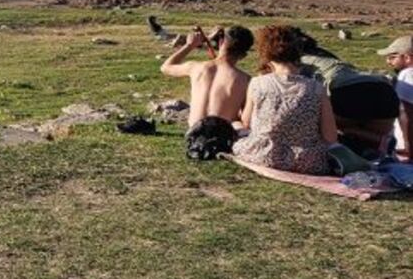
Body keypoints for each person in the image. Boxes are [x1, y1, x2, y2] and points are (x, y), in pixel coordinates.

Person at [232, 26, 338, 175]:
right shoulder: (317, 88)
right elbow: (330, 137)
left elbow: (246, 123)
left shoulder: (257, 83)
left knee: (235, 125)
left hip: (263, 155)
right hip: (307, 161)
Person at [294, 29, 399, 157]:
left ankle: (351, 137)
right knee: (374, 141)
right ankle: (380, 142)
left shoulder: (298, 61)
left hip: (347, 92)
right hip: (384, 91)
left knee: (324, 124)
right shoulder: (324, 54)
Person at [160, 26, 254, 128]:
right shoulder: (246, 80)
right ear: (243, 55)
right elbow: (246, 119)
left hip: (195, 132)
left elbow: (166, 67)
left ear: (220, 42)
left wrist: (189, 45)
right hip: (222, 135)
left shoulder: (197, 67)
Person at [379, 35, 413, 160]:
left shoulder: (408, 74)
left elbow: (406, 113)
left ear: (408, 57)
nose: (388, 62)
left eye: (393, 57)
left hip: (406, 149)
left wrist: (409, 148)